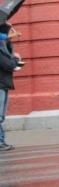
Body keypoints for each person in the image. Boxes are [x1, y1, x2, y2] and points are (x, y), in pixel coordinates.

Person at [0, 23, 20, 151]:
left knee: (1, 116)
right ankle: (0, 142)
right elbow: (8, 64)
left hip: (4, 83)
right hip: (1, 83)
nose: (14, 32)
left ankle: (2, 141)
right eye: (11, 30)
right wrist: (15, 60)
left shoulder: (5, 46)